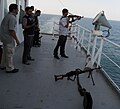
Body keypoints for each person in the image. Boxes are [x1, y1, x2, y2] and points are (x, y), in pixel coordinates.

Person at [0, 4, 20, 73]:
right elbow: (11, 30)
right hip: (8, 38)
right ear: (14, 10)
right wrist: (17, 40)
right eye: (17, 9)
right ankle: (9, 68)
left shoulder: (7, 16)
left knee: (5, 52)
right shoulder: (12, 18)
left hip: (4, 37)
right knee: (10, 53)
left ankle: (3, 65)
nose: (18, 10)